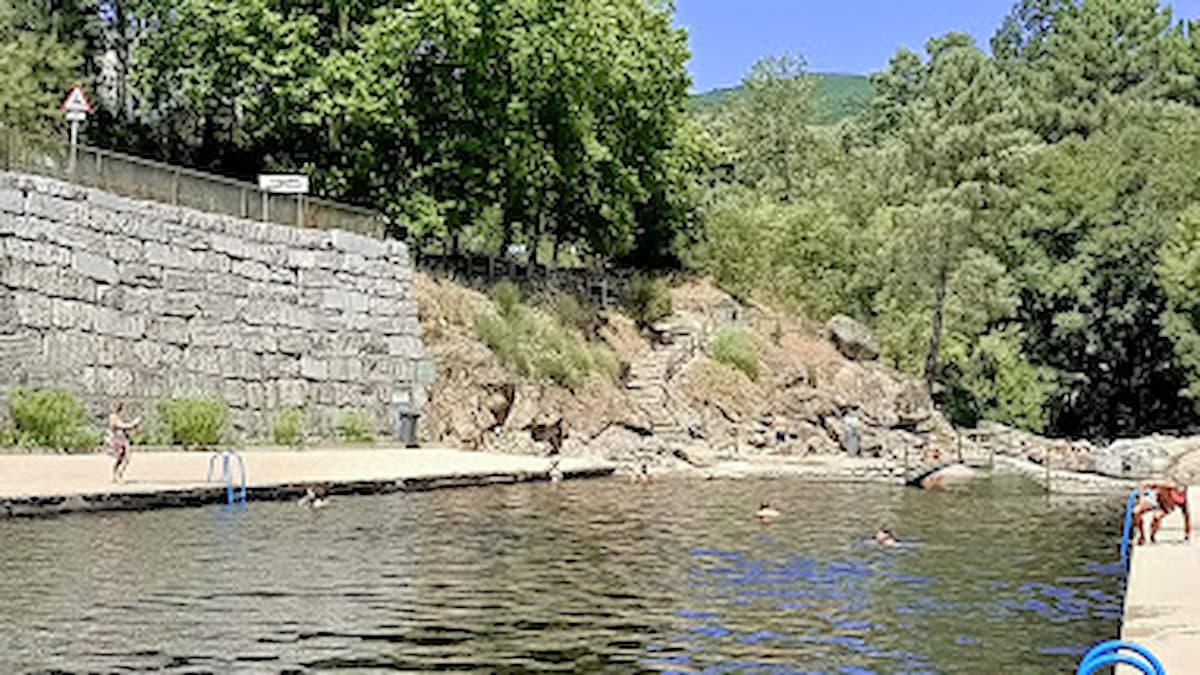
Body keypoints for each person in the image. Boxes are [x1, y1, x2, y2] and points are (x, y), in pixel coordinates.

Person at [1133, 478, 1190, 545]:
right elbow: (1143, 484)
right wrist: (1141, 497)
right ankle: (1142, 535)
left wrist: (1187, 534)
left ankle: (1152, 536)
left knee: (1157, 516)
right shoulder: (1163, 486)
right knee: (1136, 512)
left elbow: (1186, 516)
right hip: (1154, 500)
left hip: (1165, 507)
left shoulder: (1181, 500)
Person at [104, 402, 140, 483]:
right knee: (122, 458)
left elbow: (123, 426)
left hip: (121, 438)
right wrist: (133, 424)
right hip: (117, 440)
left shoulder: (116, 416)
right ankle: (117, 475)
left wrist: (132, 426)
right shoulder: (113, 417)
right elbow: (120, 425)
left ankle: (117, 475)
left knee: (124, 458)